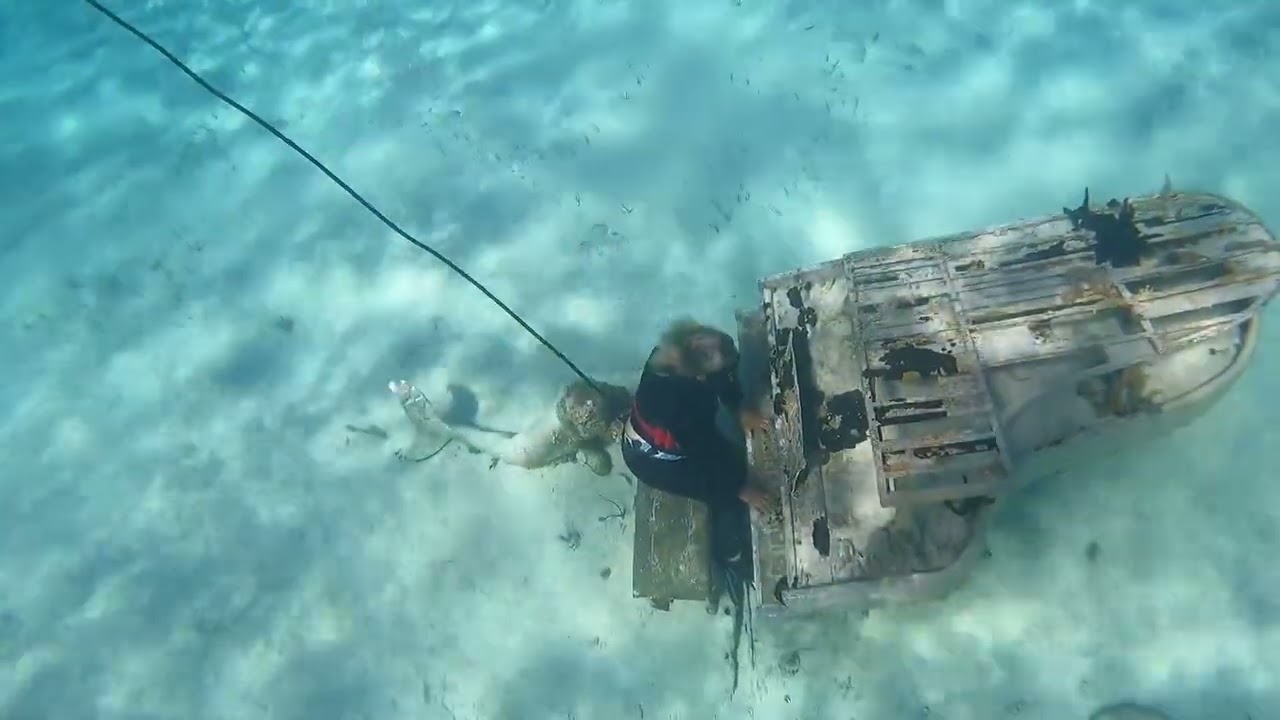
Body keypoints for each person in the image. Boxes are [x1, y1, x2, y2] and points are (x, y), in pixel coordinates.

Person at [621, 318, 776, 610]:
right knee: (725, 485)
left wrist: (738, 407)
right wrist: (740, 488)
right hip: (656, 462)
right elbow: (703, 461)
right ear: (698, 374)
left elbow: (723, 374)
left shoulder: (694, 351)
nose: (711, 346)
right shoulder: (671, 405)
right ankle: (730, 556)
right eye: (706, 355)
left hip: (683, 431)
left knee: (727, 454)